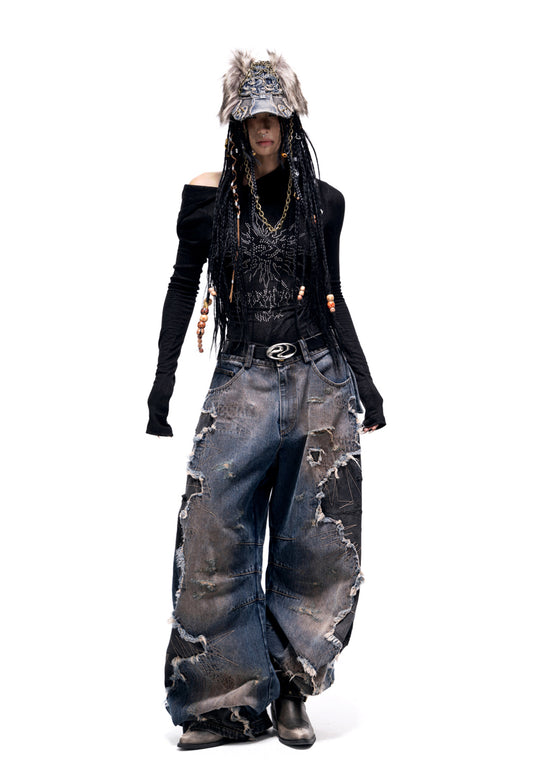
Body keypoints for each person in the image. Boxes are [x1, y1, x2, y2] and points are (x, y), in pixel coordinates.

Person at [146, 51, 386, 750]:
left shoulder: (323, 201)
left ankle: (290, 690)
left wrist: (365, 382)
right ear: (235, 123)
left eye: (273, 118)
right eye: (251, 118)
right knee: (212, 533)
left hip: (317, 377)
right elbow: (182, 285)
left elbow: (333, 294)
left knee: (315, 541)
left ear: (290, 122)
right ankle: (223, 702)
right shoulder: (208, 197)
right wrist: (162, 381)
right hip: (241, 377)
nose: (262, 129)